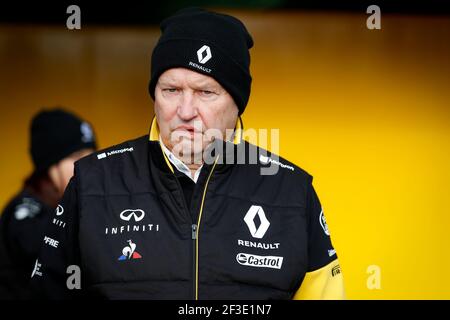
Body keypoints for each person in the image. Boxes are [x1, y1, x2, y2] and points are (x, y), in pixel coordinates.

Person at [32, 8, 345, 299]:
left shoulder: (290, 190)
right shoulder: (93, 181)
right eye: (171, 90)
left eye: (205, 92)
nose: (184, 111)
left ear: (237, 104)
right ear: (154, 94)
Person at [0, 108, 97, 299]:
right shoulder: (27, 217)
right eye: (77, 157)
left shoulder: (68, 208)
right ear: (50, 165)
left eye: (92, 156)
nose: (89, 166)